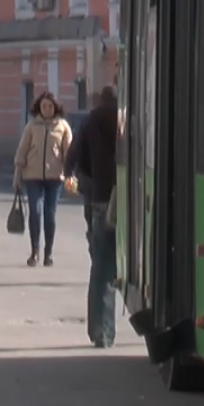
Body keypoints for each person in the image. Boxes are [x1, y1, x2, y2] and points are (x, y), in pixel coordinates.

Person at [13, 91, 73, 267]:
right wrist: (17, 175)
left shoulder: (62, 126)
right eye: (44, 106)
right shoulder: (32, 126)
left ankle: (48, 253)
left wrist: (70, 174)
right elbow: (22, 150)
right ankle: (34, 251)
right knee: (35, 212)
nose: (47, 109)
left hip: (55, 177)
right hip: (33, 176)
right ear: (39, 107)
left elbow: (69, 153)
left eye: (50, 106)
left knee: (50, 214)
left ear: (55, 107)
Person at [80, 86, 120, 348]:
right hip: (128, 196)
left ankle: (101, 331)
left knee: (101, 266)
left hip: (101, 198)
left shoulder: (92, 120)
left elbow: (79, 158)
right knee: (110, 266)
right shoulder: (127, 117)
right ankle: (103, 331)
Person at [66, 91, 99, 252]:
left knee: (91, 211)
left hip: (89, 178)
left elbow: (74, 150)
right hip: (105, 180)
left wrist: (68, 171)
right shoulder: (117, 120)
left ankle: (93, 240)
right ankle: (96, 239)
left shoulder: (87, 123)